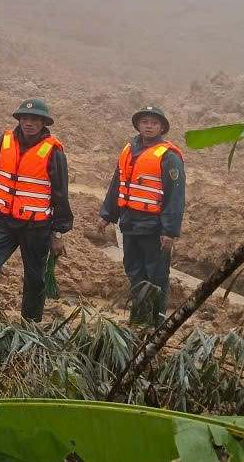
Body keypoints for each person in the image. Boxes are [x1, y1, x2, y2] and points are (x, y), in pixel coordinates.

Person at [0, 99, 72, 322]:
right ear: (19, 119)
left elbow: (60, 195)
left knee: (35, 279)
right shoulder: (5, 141)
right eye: (25, 118)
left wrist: (57, 234)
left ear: (43, 122)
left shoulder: (54, 151)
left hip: (36, 226)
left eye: (35, 119)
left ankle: (30, 325)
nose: (29, 123)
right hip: (3, 220)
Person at [98, 105, 185, 325]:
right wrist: (107, 214)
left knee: (156, 277)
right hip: (130, 224)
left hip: (154, 228)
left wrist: (169, 231)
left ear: (162, 128)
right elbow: (117, 183)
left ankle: (156, 324)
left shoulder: (169, 156)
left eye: (154, 123)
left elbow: (175, 196)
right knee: (134, 271)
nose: (149, 126)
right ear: (138, 125)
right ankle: (138, 320)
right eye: (145, 121)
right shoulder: (129, 150)